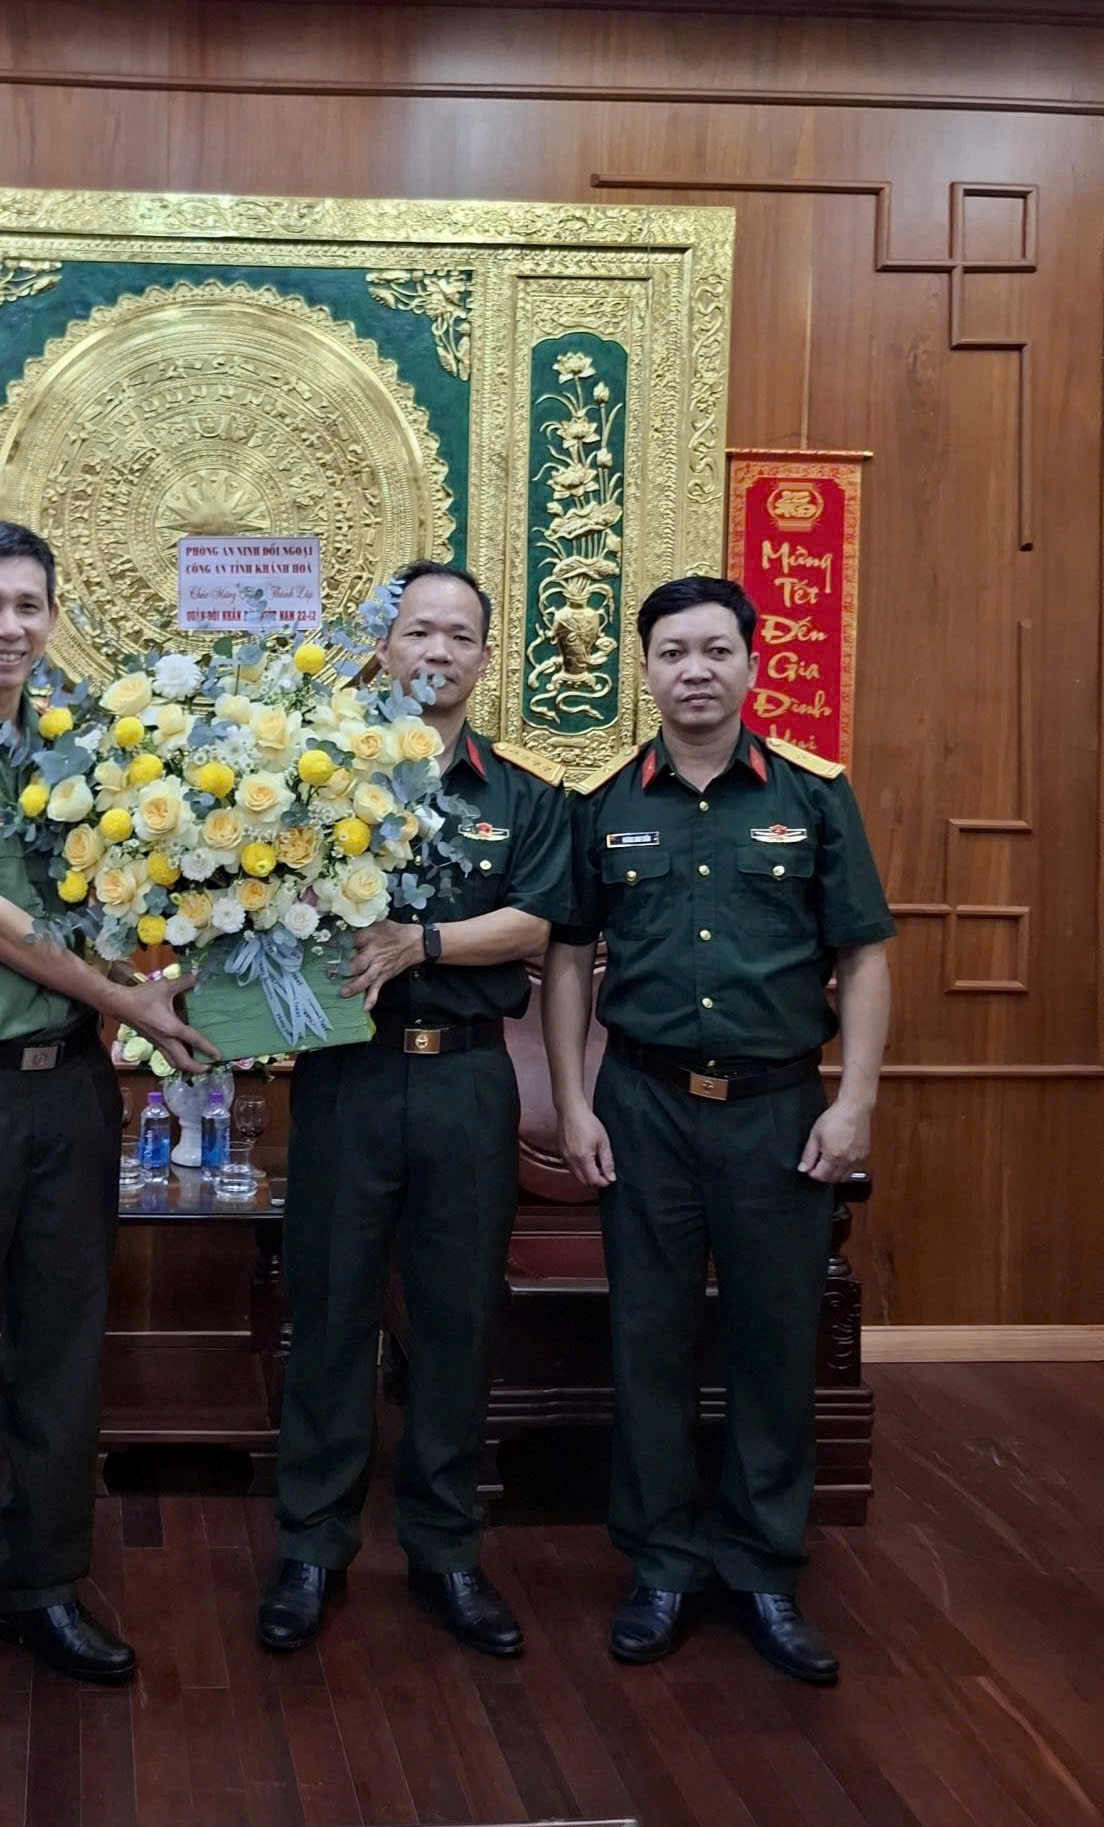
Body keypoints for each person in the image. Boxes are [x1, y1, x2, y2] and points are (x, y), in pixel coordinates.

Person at [0, 518, 217, 1747]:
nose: (8, 626)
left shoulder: (89, 740)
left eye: (28, 605)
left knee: (64, 1358)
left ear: (51, 616)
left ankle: (39, 1589)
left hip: (68, 1088)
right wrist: (137, 1007)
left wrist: (177, 983)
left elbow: (132, 890)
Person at [540, 574, 894, 1685]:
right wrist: (571, 1100)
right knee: (646, 1340)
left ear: (752, 663)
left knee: (773, 1341)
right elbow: (562, 959)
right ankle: (660, 1564)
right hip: (642, 1104)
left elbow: (866, 954)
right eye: (672, 654)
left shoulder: (815, 794)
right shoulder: (604, 803)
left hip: (780, 1111)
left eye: (715, 652)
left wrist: (856, 1100)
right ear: (641, 671)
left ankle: (761, 1568)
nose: (694, 672)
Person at [257, 561, 573, 1658]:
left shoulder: (523, 796)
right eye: (416, 634)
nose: (436, 653)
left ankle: (445, 1552)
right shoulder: (315, 779)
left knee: (453, 1321)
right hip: (347, 1071)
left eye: (458, 637)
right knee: (331, 1315)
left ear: (485, 658)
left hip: (466, 1078)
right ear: (380, 651)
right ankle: (311, 1546)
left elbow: (537, 923)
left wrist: (420, 942)